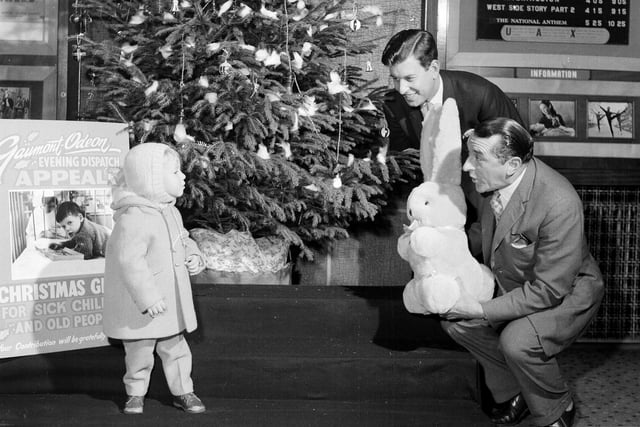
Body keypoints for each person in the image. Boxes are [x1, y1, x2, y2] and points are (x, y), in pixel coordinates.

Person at [441, 118, 604, 427]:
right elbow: (483, 232)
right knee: (456, 322)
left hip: (566, 293)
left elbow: (549, 289)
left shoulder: (559, 201)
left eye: (478, 158)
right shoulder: (494, 180)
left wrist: (481, 307)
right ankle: (516, 392)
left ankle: (557, 407)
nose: (466, 167)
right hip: (516, 284)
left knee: (517, 341)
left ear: (512, 164)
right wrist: (441, 248)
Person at [102, 143, 207, 415]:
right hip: (145, 305)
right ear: (151, 180)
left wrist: (193, 254)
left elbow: (182, 238)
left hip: (170, 302)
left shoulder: (171, 211)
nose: (183, 177)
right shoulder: (133, 218)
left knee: (177, 349)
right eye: (175, 172)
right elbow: (129, 262)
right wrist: (148, 298)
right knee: (138, 352)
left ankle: (183, 390)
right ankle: (135, 393)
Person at [381, 29, 524, 221]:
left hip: (488, 204)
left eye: (409, 78)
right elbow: (406, 163)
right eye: (395, 79)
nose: (402, 89)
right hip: (436, 209)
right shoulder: (393, 104)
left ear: (433, 68)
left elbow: (519, 155)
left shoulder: (480, 94)